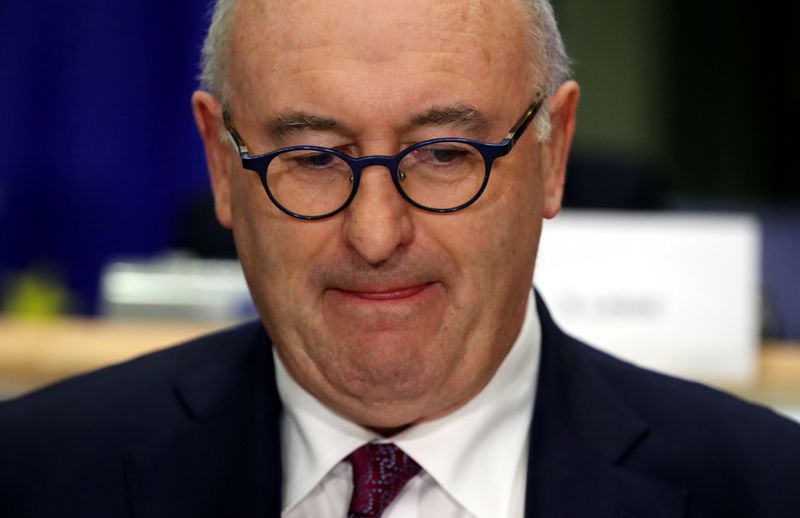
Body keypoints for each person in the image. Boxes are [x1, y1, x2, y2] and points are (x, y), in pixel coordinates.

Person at [1, 0, 799, 516]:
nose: (375, 235)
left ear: (553, 155)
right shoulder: (34, 477)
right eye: (313, 158)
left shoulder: (767, 488)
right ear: (219, 162)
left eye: (445, 153)